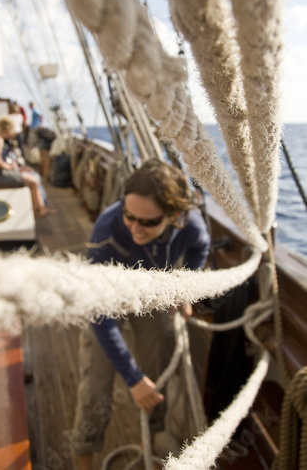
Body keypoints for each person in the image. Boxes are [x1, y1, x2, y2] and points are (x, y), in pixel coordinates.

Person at [73, 158, 211, 470]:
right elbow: (100, 315)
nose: (135, 228)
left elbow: (200, 248)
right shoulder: (107, 231)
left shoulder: (191, 224)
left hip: (151, 294)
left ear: (174, 216)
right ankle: (85, 452)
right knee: (96, 384)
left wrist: (184, 289)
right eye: (129, 216)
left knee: (157, 366)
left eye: (147, 222)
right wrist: (132, 379)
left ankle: (153, 439)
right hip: (107, 298)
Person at [0, 116, 54, 217]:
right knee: (34, 180)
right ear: (7, 129)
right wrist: (10, 167)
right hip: (0, 175)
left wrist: (16, 167)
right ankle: (40, 209)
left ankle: (38, 207)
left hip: (3, 172)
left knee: (33, 175)